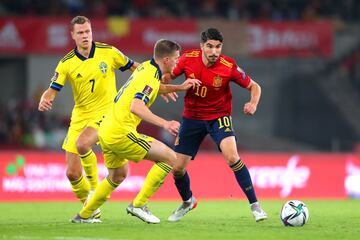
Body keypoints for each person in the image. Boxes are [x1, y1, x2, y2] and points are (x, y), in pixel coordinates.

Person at [70, 39, 201, 224]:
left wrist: (179, 87)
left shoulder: (147, 68)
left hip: (106, 130)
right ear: (166, 60)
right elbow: (136, 106)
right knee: (171, 159)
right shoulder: (150, 75)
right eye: (176, 58)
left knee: (118, 175)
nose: (178, 62)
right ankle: (139, 205)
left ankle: (84, 215)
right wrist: (165, 123)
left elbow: (156, 87)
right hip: (120, 131)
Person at [160, 28, 268, 222]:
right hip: (192, 118)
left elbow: (255, 86)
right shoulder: (187, 59)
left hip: (219, 117)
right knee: (177, 168)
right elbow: (167, 76)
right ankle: (187, 201)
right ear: (202, 46)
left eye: (218, 47)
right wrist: (164, 87)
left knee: (232, 157)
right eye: (209, 46)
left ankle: (255, 206)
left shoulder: (228, 66)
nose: (214, 51)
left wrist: (253, 103)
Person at [38, 16, 139, 217]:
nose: (85, 36)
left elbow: (135, 66)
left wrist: (156, 80)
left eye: (88, 31)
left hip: (106, 113)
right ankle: (92, 209)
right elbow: (53, 89)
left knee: (83, 143)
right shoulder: (66, 63)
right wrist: (45, 98)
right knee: (72, 173)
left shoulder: (109, 52)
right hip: (80, 117)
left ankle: (93, 191)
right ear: (73, 35)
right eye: (81, 33)